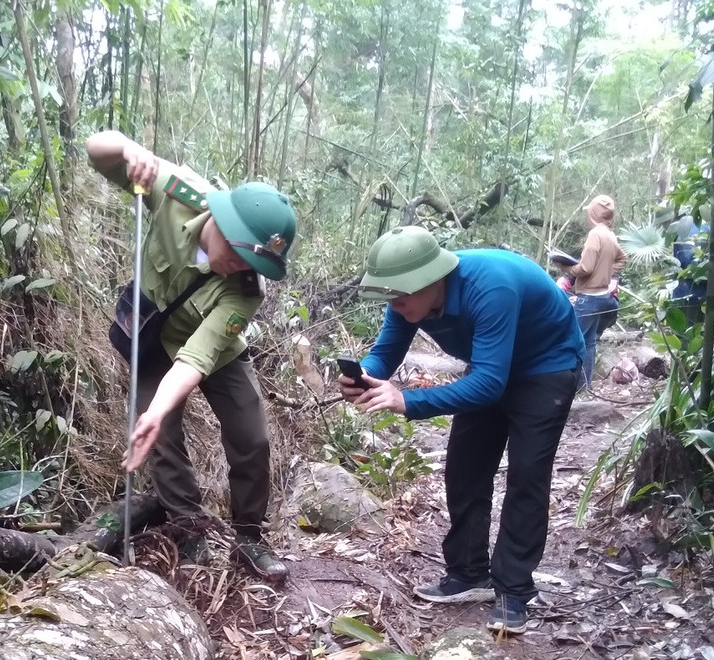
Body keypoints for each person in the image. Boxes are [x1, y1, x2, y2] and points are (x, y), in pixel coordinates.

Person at [338, 226, 584, 634]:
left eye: (401, 297)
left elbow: (489, 384)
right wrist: (364, 375)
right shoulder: (407, 296)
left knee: (527, 475)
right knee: (465, 469)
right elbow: (386, 351)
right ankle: (469, 573)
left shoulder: (490, 288)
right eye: (389, 298)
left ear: (431, 280)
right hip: (490, 366)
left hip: (547, 365)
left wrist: (407, 401)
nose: (395, 305)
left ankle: (514, 590)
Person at [86, 130, 298, 579]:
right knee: (162, 438)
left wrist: (157, 408)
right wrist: (127, 148)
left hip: (214, 352)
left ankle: (249, 537)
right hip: (152, 338)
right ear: (222, 220)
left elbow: (197, 358)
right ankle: (189, 530)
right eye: (240, 254)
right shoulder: (176, 193)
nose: (242, 267)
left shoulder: (246, 291)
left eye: (255, 264)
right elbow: (95, 149)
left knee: (251, 436)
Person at [559, 195, 627, 389]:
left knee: (573, 341)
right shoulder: (610, 235)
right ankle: (584, 388)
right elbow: (622, 259)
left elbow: (586, 268)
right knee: (588, 343)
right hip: (603, 296)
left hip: (589, 298)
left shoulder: (596, 234)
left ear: (594, 213)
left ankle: (569, 388)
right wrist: (604, 272)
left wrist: (566, 268)